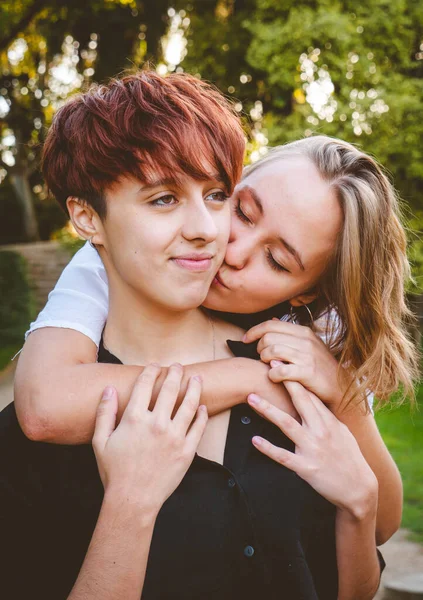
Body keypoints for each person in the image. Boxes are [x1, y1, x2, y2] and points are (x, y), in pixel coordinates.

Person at [1, 70, 383, 600]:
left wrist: (360, 501)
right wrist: (131, 503)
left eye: (218, 195)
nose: (212, 232)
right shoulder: (38, 428)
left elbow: (358, 560)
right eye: (163, 199)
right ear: (88, 220)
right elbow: (44, 406)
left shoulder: (298, 376)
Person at [15, 135, 418, 545]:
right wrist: (248, 379)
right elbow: (46, 406)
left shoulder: (321, 324)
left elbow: (381, 523)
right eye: (241, 211)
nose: (231, 249)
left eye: (276, 261)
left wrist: (343, 392)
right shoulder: (114, 256)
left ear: (307, 293)